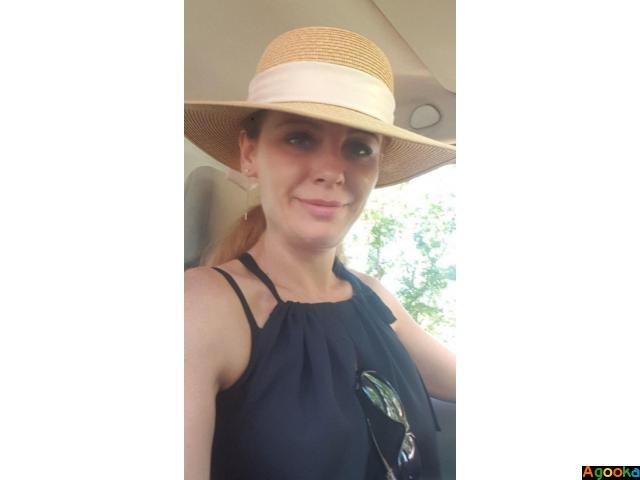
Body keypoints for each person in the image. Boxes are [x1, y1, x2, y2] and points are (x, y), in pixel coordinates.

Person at [184, 26, 456, 480]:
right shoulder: (201, 307)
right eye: (299, 138)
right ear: (249, 153)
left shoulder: (373, 297)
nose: (333, 170)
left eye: (359, 148)